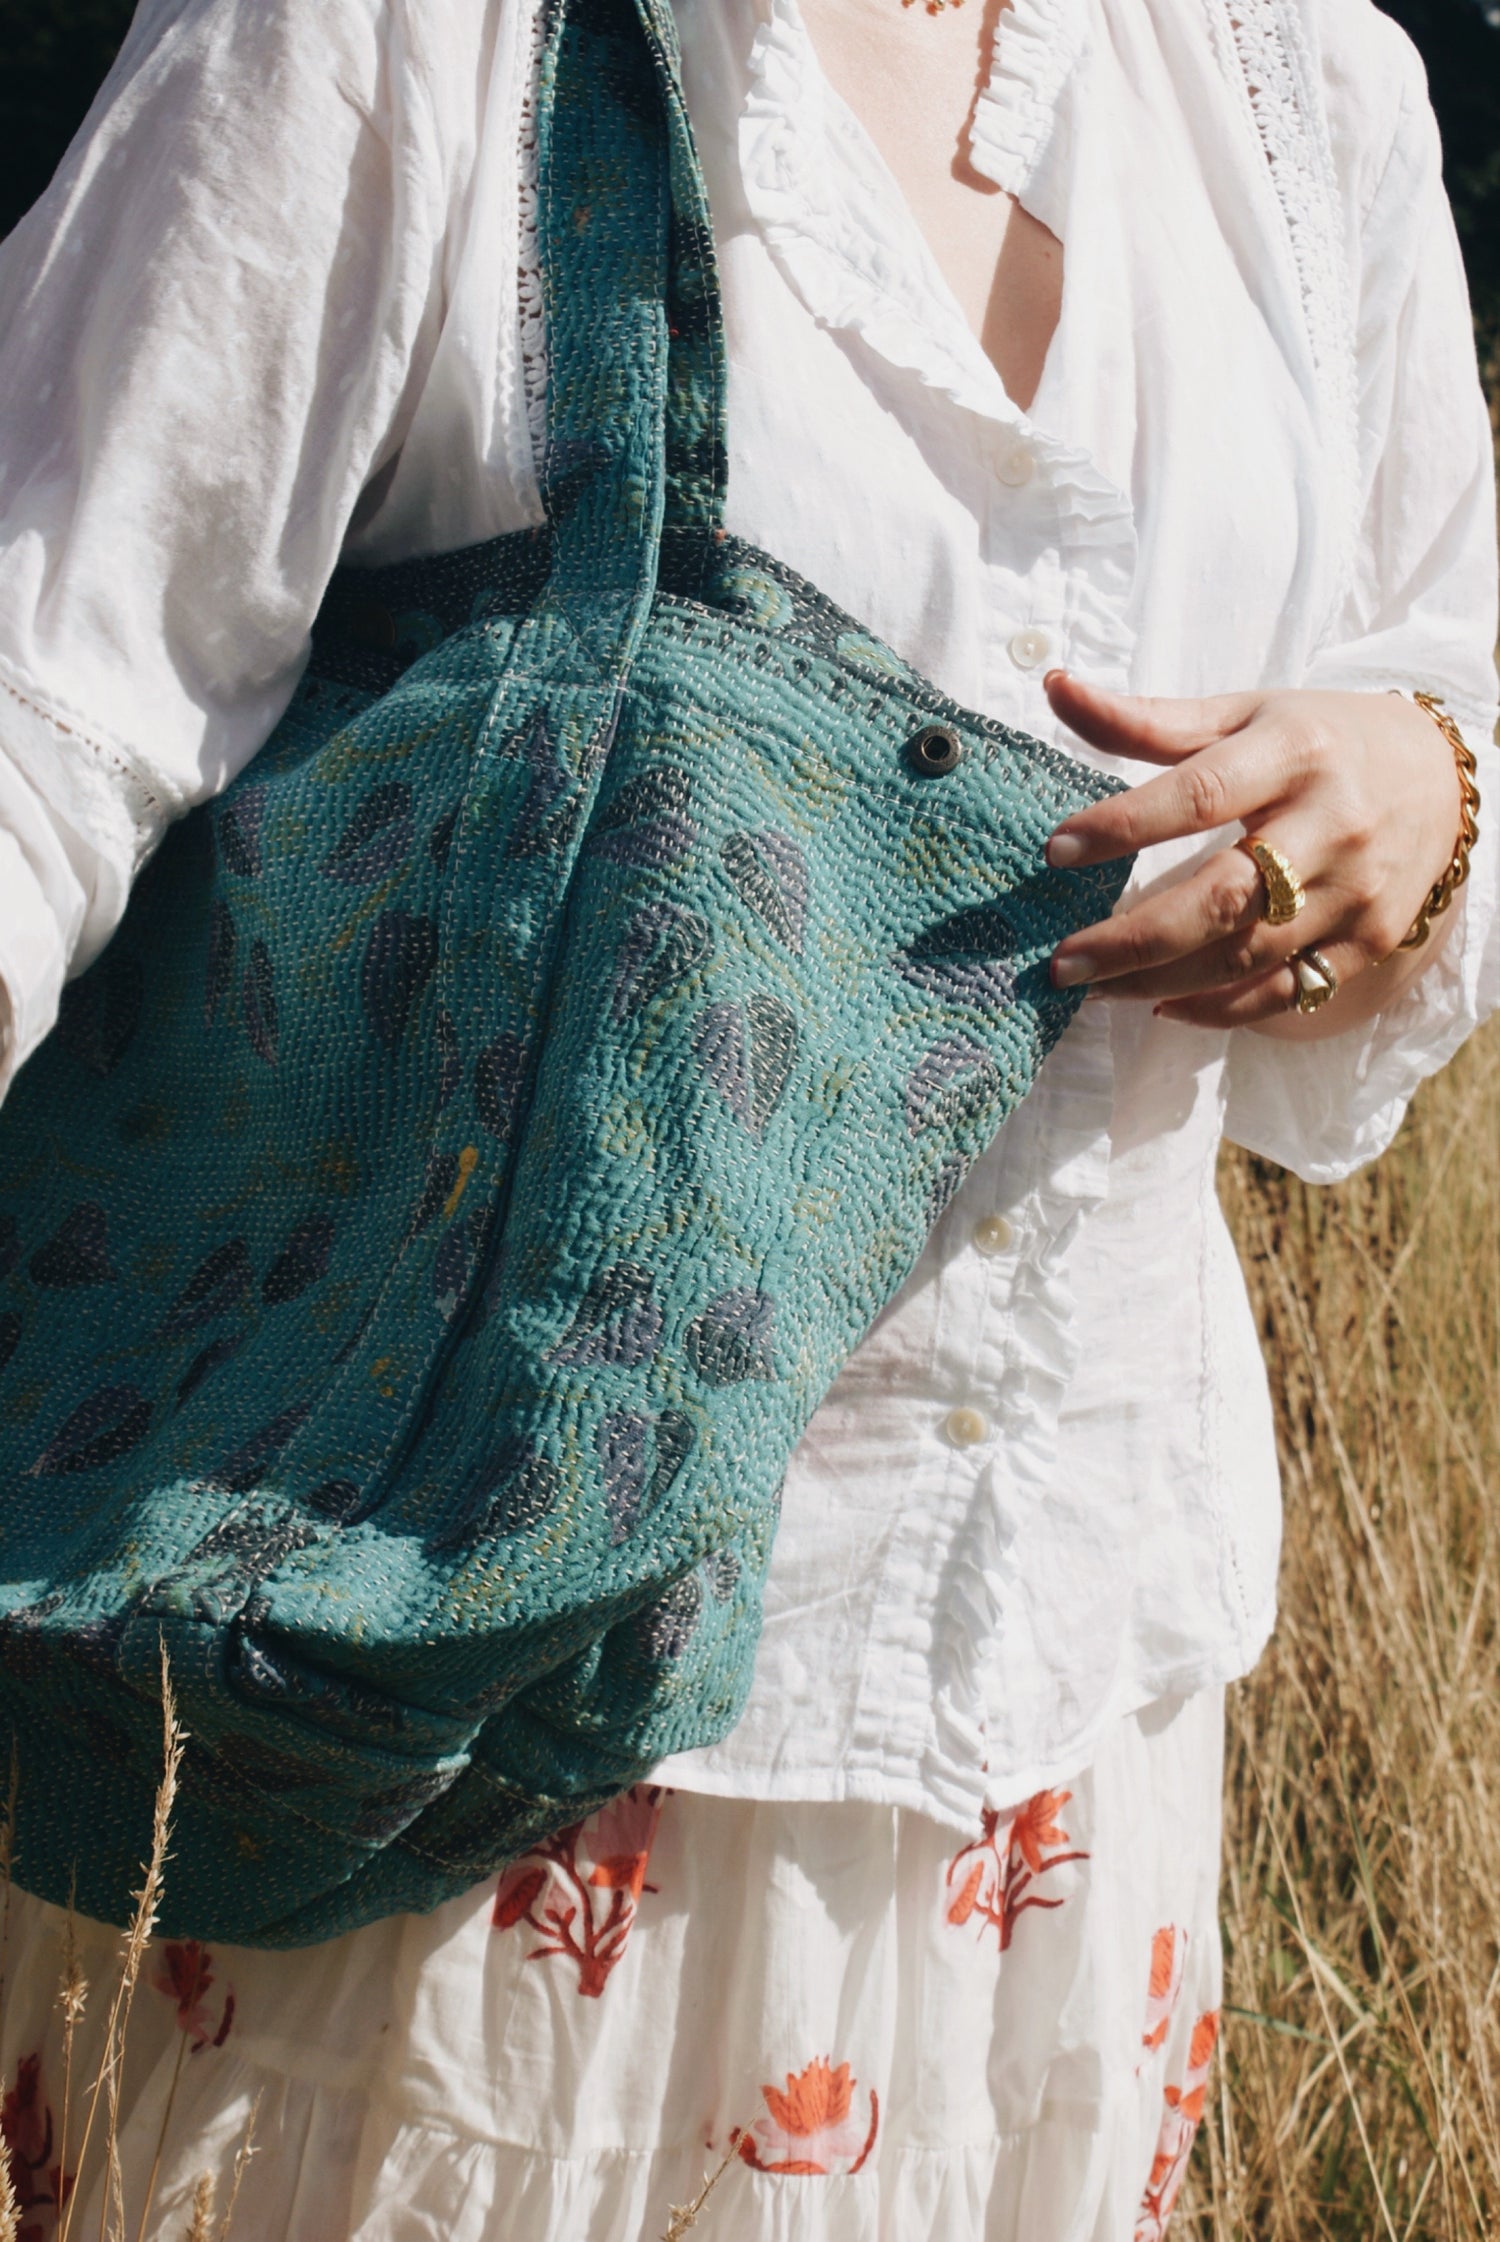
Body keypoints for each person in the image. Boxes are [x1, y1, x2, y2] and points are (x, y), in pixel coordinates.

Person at [0, 0, 1493, 2232]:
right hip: (469, 1753)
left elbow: (1443, 641)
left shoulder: (1295, 84)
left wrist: (1430, 784)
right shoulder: (403, 39)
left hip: (1062, 1736)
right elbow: (50, 703)